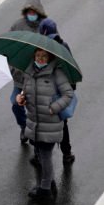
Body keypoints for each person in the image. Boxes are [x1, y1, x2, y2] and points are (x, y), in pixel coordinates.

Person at [16, 48, 73, 199]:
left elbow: (68, 94)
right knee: (40, 155)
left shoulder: (56, 73)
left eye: (44, 56)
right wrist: (21, 98)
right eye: (38, 55)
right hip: (34, 123)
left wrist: (53, 108)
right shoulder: (29, 73)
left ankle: (45, 189)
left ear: (49, 58)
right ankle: (49, 181)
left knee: (45, 156)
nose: (40, 59)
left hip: (50, 124)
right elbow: (25, 91)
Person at [9, 0, 47, 145]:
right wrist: (13, 69)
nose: (31, 14)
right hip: (20, 78)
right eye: (29, 11)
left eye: (34, 11)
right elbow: (9, 48)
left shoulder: (44, 28)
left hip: (37, 78)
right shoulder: (17, 26)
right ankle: (24, 127)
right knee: (15, 103)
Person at [38, 18, 75, 165]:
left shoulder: (39, 48)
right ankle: (66, 153)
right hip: (59, 94)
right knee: (62, 124)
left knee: (40, 124)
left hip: (42, 93)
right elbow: (71, 68)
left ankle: (39, 156)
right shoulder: (63, 46)